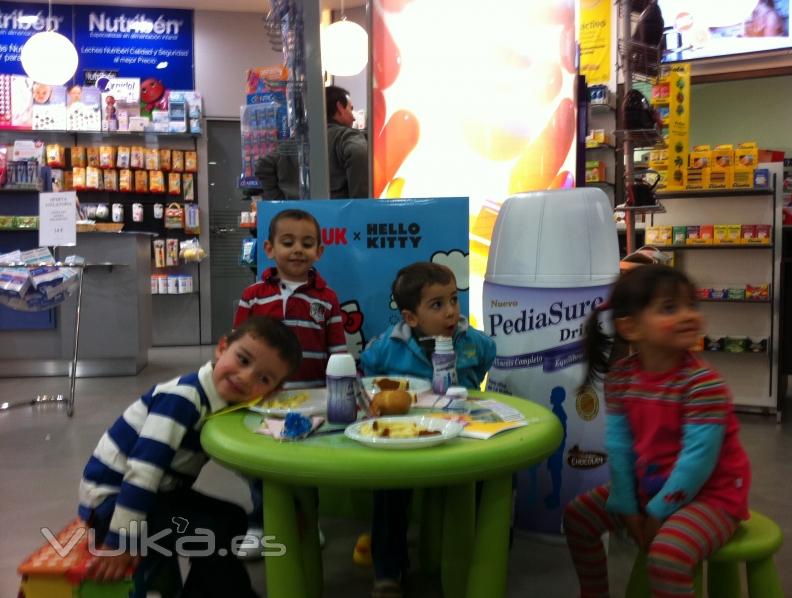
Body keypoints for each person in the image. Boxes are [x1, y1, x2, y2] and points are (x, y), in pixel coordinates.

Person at [78, 316, 302, 595]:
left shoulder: (223, 401)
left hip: (160, 494)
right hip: (113, 503)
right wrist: (121, 540)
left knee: (232, 518)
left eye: (263, 378)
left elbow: (240, 458)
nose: (245, 377)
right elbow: (142, 472)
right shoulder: (183, 398)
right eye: (243, 360)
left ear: (274, 390)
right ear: (222, 348)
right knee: (209, 534)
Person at [564, 265, 751, 598]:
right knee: (577, 518)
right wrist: (626, 502)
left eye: (691, 305)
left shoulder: (702, 383)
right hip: (650, 487)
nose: (688, 315)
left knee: (667, 556)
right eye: (670, 308)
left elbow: (697, 462)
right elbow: (619, 445)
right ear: (630, 326)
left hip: (712, 496)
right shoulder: (621, 377)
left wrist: (656, 511)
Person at [359, 261, 496, 597]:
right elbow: (368, 370)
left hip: (461, 436)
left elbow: (486, 361)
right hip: (408, 438)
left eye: (454, 299)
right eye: (437, 305)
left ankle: (476, 553)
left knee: (483, 480)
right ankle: (388, 570)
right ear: (410, 318)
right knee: (389, 491)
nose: (450, 312)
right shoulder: (387, 347)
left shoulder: (473, 343)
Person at [234, 208, 347, 553]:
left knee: (303, 465)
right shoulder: (253, 295)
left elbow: (338, 350)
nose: (297, 249)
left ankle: (306, 522)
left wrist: (338, 390)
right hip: (263, 397)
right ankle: (259, 523)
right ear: (269, 248)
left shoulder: (326, 300)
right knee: (262, 465)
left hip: (311, 396)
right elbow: (236, 345)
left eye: (307, 243)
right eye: (288, 242)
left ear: (319, 251)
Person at [255, 85, 368, 199]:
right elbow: (358, 151)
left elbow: (263, 165)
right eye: (350, 109)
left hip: (297, 214)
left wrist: (280, 202)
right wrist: (359, 202)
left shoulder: (295, 141)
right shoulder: (346, 136)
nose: (353, 117)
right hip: (336, 214)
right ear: (339, 107)